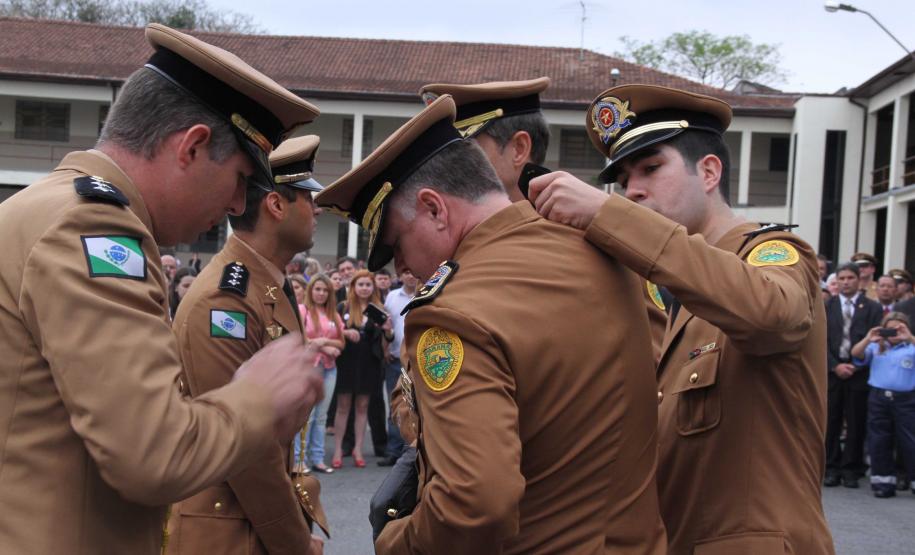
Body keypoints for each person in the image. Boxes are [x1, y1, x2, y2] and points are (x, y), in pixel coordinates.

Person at [0, 24, 327, 554]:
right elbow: (153, 452)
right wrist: (258, 400)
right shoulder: (94, 228)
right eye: (242, 177)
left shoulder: (49, 207)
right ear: (193, 147)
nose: (236, 205)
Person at [316, 95, 665, 554]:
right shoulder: (601, 249)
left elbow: (475, 502)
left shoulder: (450, 313)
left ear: (434, 208)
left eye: (397, 243)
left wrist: (396, 543)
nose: (402, 264)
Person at [528, 84, 834, 554]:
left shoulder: (772, 254)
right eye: (624, 179)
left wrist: (609, 216)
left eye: (651, 168)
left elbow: (772, 315)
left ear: (709, 172)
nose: (632, 190)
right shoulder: (692, 288)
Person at [167, 135, 331, 554]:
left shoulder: (266, 285)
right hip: (225, 531)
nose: (316, 210)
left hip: (253, 523)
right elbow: (246, 453)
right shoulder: (226, 301)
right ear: (276, 205)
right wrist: (293, 541)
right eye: (307, 200)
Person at [824, 262, 883, 488]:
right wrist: (834, 366)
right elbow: (820, 341)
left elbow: (875, 341)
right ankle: (831, 466)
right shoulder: (827, 306)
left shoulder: (872, 308)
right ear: (836, 281)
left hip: (859, 372)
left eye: (850, 278)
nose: (846, 282)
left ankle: (851, 468)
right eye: (842, 278)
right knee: (831, 420)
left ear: (859, 281)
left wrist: (855, 365)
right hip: (833, 371)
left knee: (856, 421)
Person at [332, 270, 392, 468]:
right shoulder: (343, 307)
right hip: (346, 361)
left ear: (373, 288)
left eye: (368, 285)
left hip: (369, 362)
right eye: (361, 285)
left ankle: (358, 448)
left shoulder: (379, 309)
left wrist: (388, 330)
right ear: (354, 287)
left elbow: (387, 341)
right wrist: (345, 332)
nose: (365, 288)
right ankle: (339, 449)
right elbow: (332, 331)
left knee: (362, 406)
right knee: (343, 406)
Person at [851, 312, 915, 497]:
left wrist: (908, 336)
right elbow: (856, 353)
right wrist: (868, 338)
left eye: (897, 328)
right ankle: (883, 482)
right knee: (879, 440)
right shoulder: (877, 347)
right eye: (890, 328)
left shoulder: (910, 347)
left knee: (910, 441)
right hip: (879, 398)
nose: (893, 333)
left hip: (906, 399)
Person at [299, 273, 345, 474]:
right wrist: (324, 347)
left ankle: (317, 458)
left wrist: (322, 342)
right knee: (306, 416)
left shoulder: (333, 314)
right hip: (308, 368)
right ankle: (298, 459)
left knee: (321, 417)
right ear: (311, 290)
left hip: (329, 369)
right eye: (317, 289)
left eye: (325, 290)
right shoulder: (303, 310)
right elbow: (300, 338)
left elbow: (341, 343)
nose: (321, 293)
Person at [377, 268, 417, 467]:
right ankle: (393, 449)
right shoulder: (391, 297)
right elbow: (386, 326)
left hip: (417, 359)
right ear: (400, 276)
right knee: (395, 403)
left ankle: (410, 448)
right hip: (394, 358)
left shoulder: (427, 292)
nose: (410, 276)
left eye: (412, 272)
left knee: (415, 406)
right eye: (406, 273)